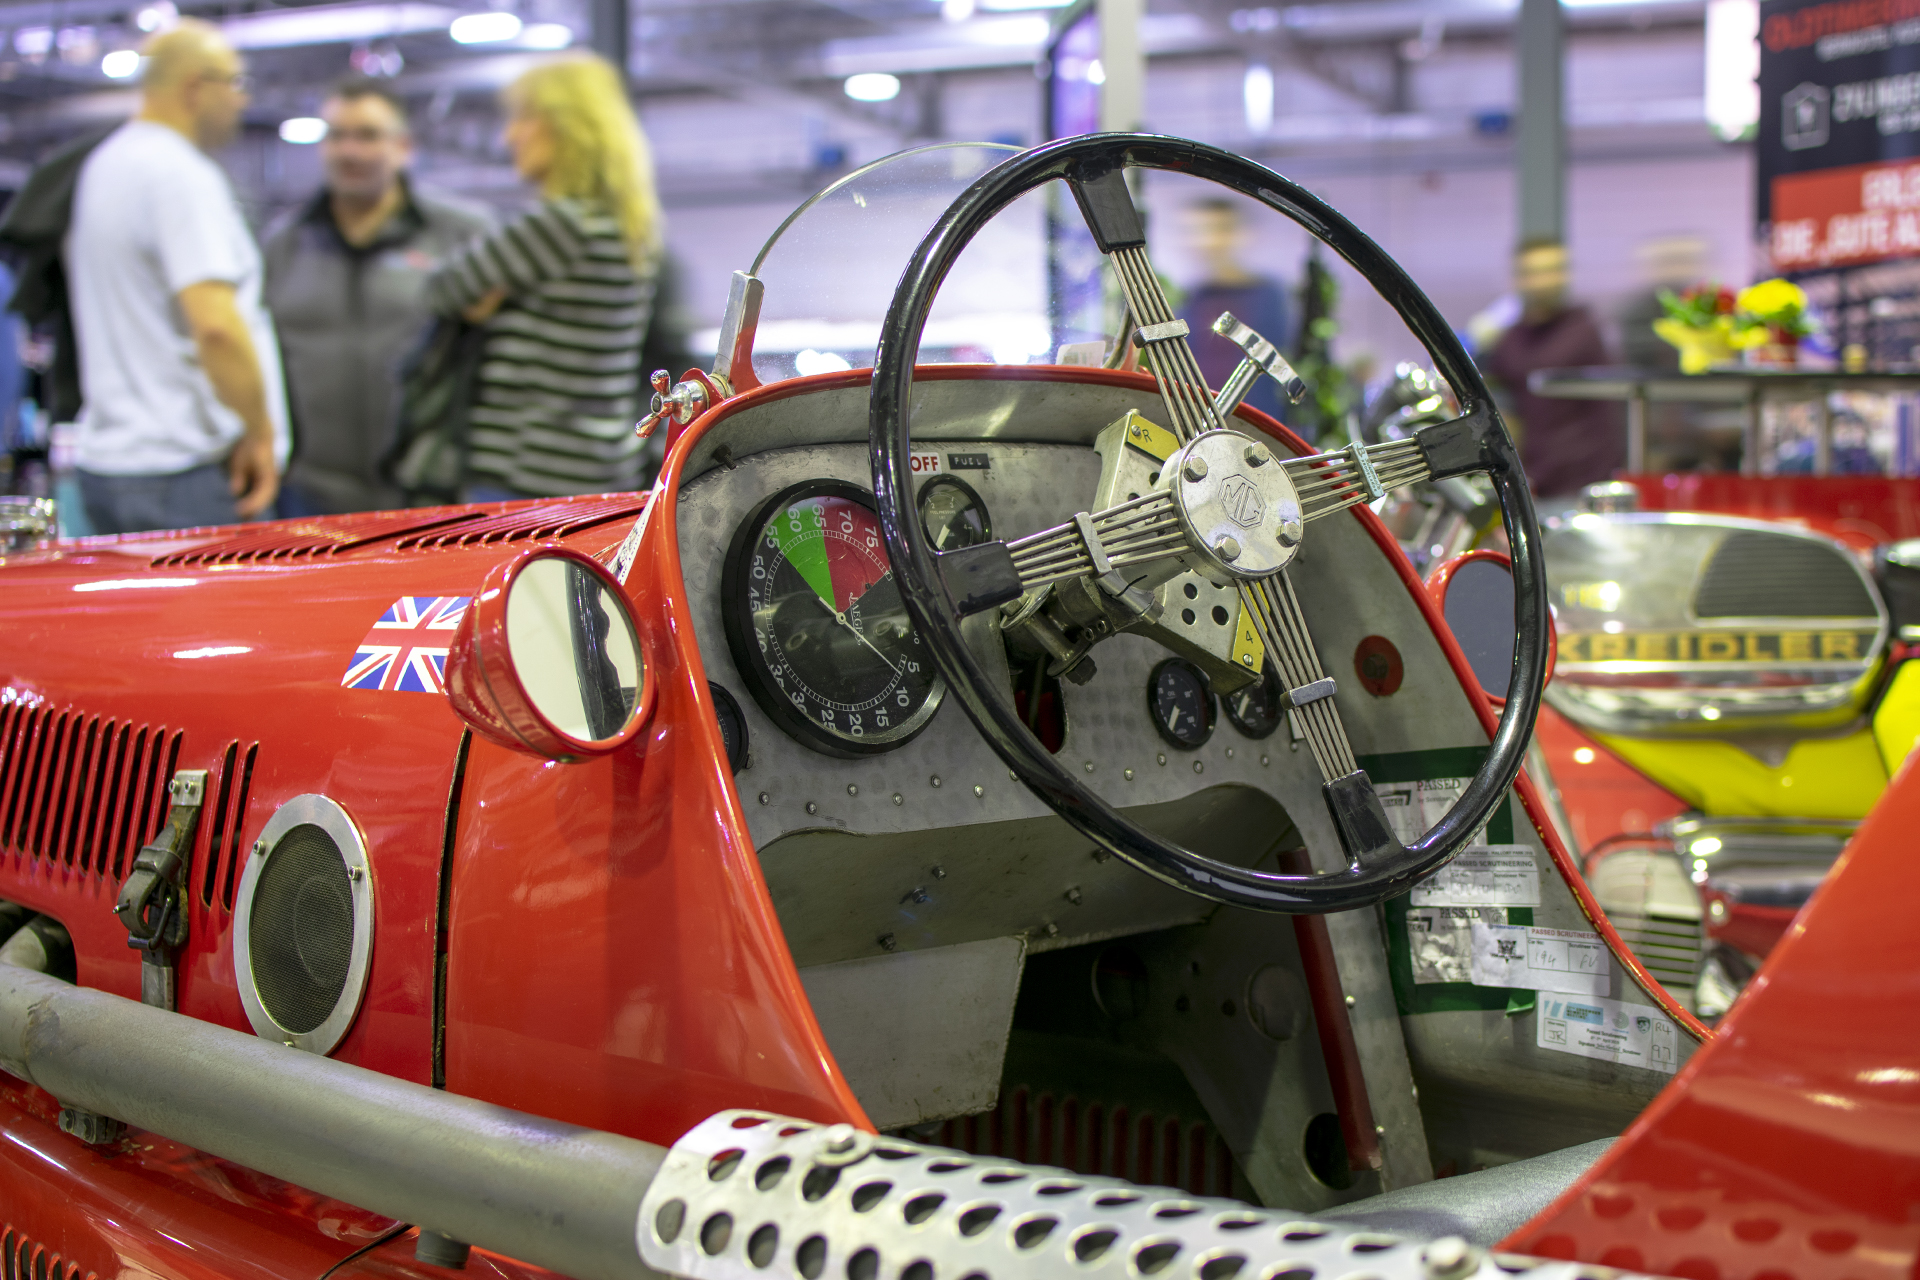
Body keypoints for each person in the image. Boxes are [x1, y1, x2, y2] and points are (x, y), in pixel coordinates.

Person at [65, 20, 287, 533]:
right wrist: (259, 433)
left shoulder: (106, 164)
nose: (241, 101)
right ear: (195, 86)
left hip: (112, 465)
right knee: (227, 616)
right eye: (234, 84)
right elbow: (215, 326)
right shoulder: (180, 176)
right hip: (183, 470)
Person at [425, 53, 660, 500]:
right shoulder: (628, 228)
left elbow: (440, 290)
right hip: (597, 470)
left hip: (522, 479)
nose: (510, 135)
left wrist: (486, 303)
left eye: (523, 118)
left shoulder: (556, 226)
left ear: (568, 127)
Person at [264, 78, 492, 516]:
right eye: (335, 136)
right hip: (308, 498)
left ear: (403, 147)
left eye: (367, 136)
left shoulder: (462, 234)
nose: (349, 151)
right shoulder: (283, 245)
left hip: (431, 495)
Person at [1484, 238, 1623, 501]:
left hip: (1581, 486)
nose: (1544, 281)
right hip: (1530, 484)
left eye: (1553, 270)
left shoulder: (1584, 332)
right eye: (1534, 273)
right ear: (1518, 278)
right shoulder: (1510, 340)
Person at [1176, 198, 1293, 424]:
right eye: (1199, 231)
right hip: (1200, 428)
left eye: (1218, 230)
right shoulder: (1191, 301)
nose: (1208, 241)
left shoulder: (1269, 298)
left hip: (1261, 427)